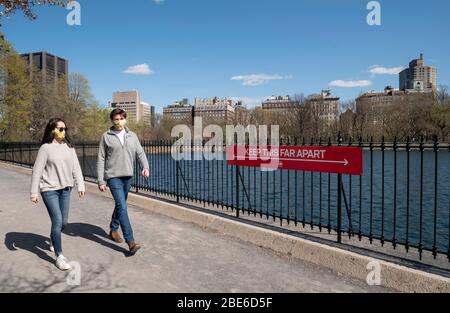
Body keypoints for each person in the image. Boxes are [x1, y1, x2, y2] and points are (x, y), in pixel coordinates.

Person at [30, 118, 86, 271]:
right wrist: (34, 191)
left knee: (64, 223)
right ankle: (59, 256)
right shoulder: (45, 148)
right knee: (57, 220)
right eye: (60, 129)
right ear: (52, 130)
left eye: (65, 129)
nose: (63, 132)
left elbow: (76, 168)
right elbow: (37, 171)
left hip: (66, 189)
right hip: (49, 190)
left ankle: (53, 239)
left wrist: (80, 184)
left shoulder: (69, 147)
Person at [97, 109, 150, 255]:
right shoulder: (106, 136)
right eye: (116, 119)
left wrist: (145, 167)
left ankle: (113, 230)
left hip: (128, 176)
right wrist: (101, 180)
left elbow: (140, 153)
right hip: (113, 177)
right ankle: (130, 241)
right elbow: (101, 158)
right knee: (122, 206)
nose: (119, 121)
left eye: (121, 118)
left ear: (125, 119)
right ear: (112, 120)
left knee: (121, 206)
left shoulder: (132, 135)